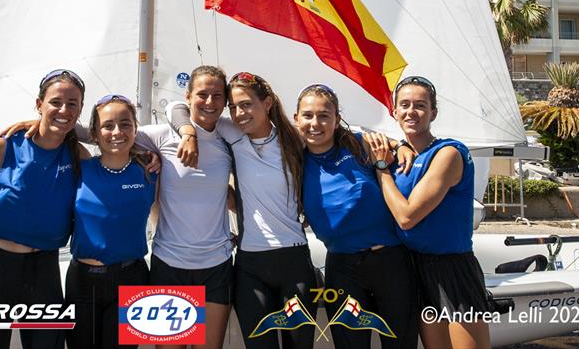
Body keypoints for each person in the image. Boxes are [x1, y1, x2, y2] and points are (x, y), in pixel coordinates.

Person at [169, 72, 318, 349]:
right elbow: (176, 107)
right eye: (234, 107)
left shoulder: (295, 140)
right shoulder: (234, 135)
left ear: (268, 103)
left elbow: (340, 133)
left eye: (247, 104)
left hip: (294, 263)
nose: (239, 113)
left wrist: (396, 145)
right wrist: (188, 133)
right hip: (250, 267)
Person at [0, 69, 89, 349]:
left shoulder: (78, 155)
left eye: (72, 104)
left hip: (45, 275)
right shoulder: (3, 147)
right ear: (39, 104)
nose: (63, 109)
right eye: (55, 102)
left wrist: (151, 160)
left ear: (80, 110)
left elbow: (117, 139)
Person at [368, 76, 491, 349]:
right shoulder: (399, 154)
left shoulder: (448, 153)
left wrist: (380, 169)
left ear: (433, 112)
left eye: (420, 106)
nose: (411, 112)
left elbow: (407, 217)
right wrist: (393, 146)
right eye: (405, 105)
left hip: (453, 269)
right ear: (394, 111)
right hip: (415, 267)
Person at [294, 84, 418, 349]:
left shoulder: (357, 143)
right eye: (307, 115)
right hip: (343, 268)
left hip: (391, 262)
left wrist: (403, 146)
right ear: (296, 119)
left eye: (324, 115)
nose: (315, 123)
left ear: (337, 120)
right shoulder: (293, 159)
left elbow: (393, 143)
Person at [140, 65, 234, 349]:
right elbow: (106, 136)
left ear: (225, 101)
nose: (209, 102)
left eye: (217, 96)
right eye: (202, 94)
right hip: (168, 265)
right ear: (188, 96)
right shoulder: (160, 135)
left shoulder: (229, 137)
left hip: (216, 265)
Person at [65, 94, 158, 349]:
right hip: (82, 282)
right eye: (108, 125)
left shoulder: (150, 171)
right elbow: (53, 127)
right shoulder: (80, 165)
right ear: (94, 132)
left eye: (125, 124)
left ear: (135, 128)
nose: (117, 131)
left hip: (132, 279)